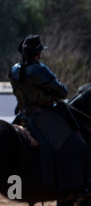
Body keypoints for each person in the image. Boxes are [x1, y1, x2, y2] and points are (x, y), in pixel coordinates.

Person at [8, 34, 91, 196]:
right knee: (76, 144)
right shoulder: (40, 69)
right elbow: (62, 92)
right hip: (44, 117)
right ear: (38, 53)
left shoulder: (14, 69)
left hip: (22, 116)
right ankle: (78, 187)